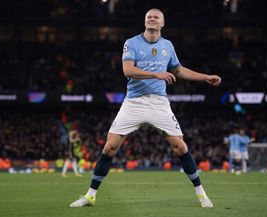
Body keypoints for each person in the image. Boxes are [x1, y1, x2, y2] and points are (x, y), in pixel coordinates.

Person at [69, 8, 221, 208]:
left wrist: (205, 77)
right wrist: (157, 74)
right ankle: (90, 196)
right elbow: (128, 70)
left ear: (162, 24)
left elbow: (178, 70)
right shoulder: (131, 43)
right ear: (144, 22)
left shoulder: (168, 45)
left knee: (180, 147)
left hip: (159, 103)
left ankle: (201, 194)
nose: (152, 19)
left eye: (156, 17)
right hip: (134, 102)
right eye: (149, 16)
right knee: (110, 147)